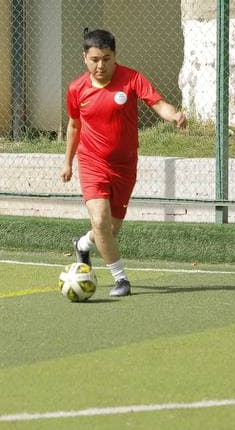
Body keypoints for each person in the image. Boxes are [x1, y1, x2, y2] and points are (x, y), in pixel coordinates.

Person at [61, 28, 187, 297]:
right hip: (92, 163)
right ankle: (121, 279)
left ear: (115, 56)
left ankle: (83, 244)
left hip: (125, 166)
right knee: (101, 220)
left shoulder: (131, 79)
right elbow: (74, 126)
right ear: (85, 57)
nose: (100, 65)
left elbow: (157, 102)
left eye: (106, 58)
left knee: (110, 229)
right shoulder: (76, 89)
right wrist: (68, 162)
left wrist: (174, 115)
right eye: (95, 59)